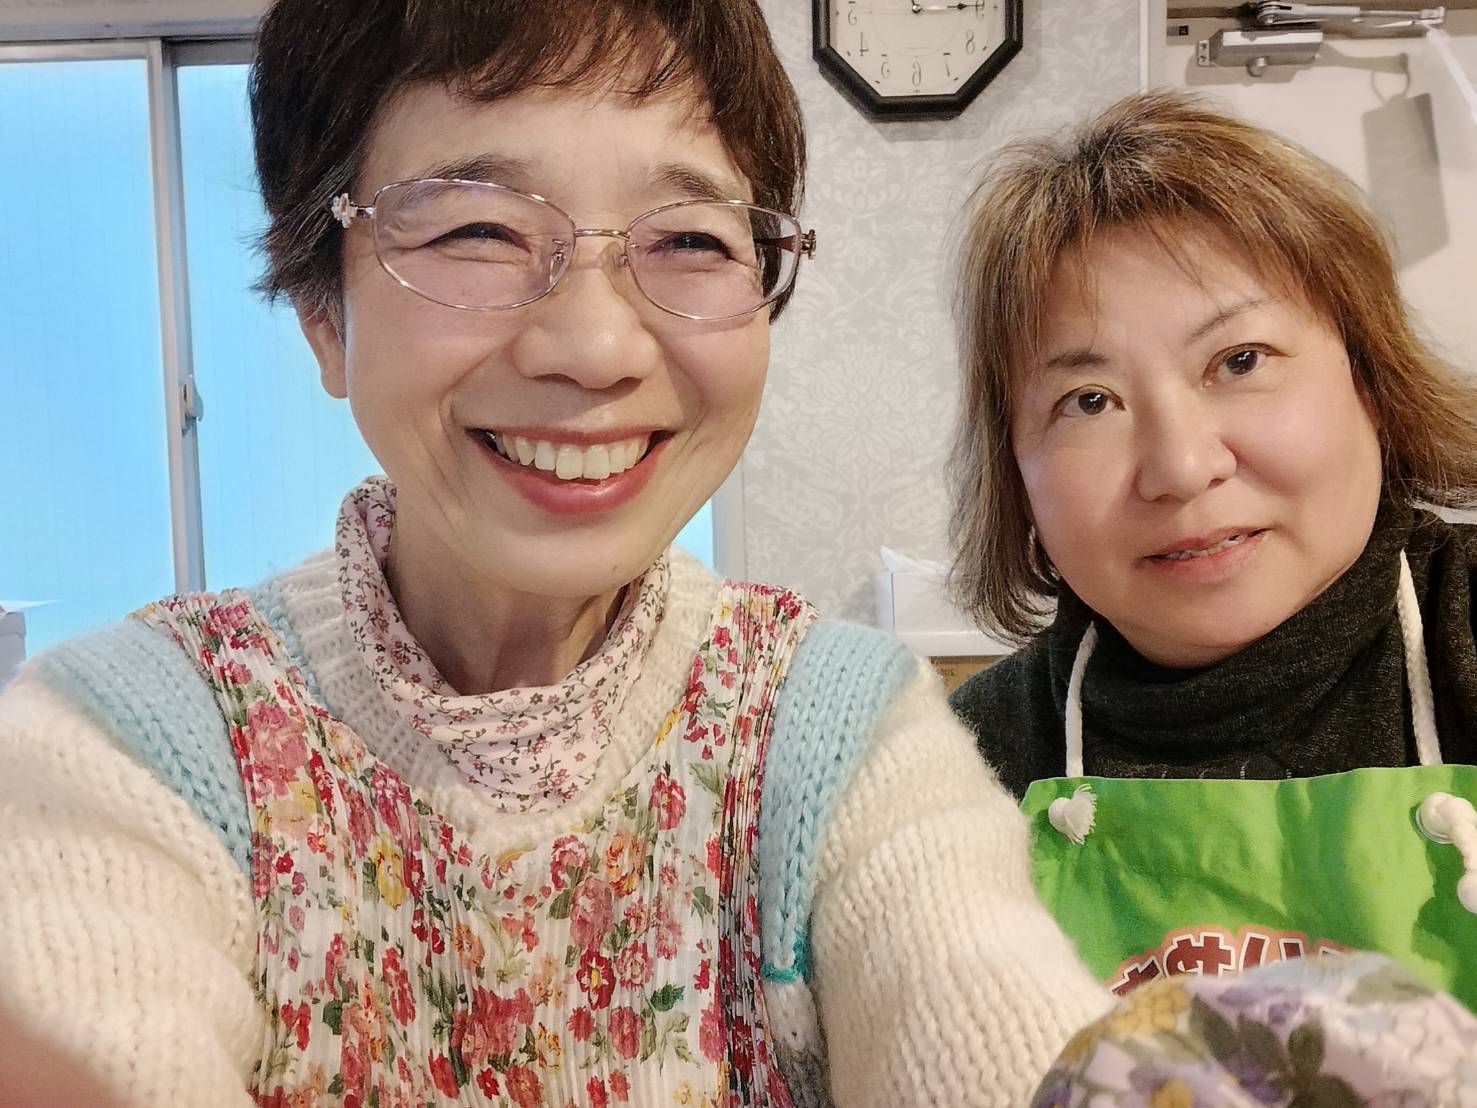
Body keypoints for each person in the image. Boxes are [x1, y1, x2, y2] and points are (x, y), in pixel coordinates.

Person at [0, 1, 1111, 1105]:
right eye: (476, 231)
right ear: (321, 311)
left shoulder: (835, 730)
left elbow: (988, 1020)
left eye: (689, 240)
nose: (594, 347)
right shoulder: (131, 740)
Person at [948, 90, 1477, 1011]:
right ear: (1016, 473)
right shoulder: (968, 762)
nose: (1181, 468)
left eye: (1239, 361)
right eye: (1088, 401)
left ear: (1371, 377)